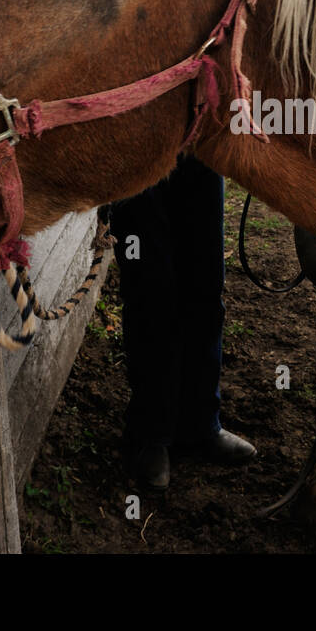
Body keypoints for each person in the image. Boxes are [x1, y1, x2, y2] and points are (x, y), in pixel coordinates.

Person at [110, 156, 256, 490]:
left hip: (200, 145)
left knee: (205, 288)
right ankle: (151, 434)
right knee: (150, 293)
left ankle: (201, 423)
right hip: (136, 149)